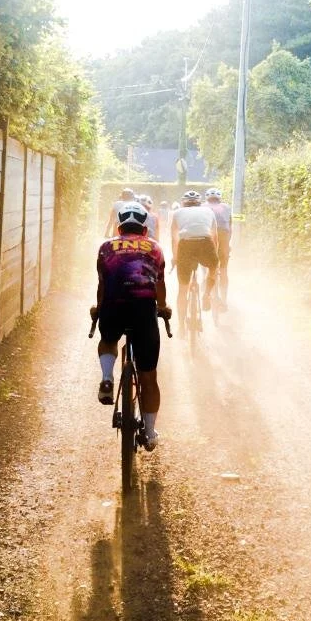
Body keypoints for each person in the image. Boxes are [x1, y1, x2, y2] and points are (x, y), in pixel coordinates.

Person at [92, 202, 170, 449]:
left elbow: (103, 284)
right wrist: (163, 307)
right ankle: (149, 432)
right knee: (149, 377)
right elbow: (159, 284)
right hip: (143, 311)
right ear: (144, 230)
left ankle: (106, 378)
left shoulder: (106, 247)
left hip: (113, 306)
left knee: (108, 340)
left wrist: (98, 307)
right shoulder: (155, 248)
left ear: (119, 227)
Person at [170, 188, 218, 325]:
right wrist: (214, 259)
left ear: (183, 203)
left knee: (182, 289)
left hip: (186, 245)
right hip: (205, 243)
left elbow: (174, 239)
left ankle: (180, 325)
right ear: (200, 203)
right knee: (214, 267)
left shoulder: (177, 212)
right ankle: (207, 294)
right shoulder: (209, 211)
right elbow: (214, 238)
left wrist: (175, 257)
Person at [204, 188, 233, 310]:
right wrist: (228, 244)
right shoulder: (226, 207)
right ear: (219, 199)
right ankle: (224, 300)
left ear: (207, 198)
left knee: (208, 266)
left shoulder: (203, 206)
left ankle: (206, 291)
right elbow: (230, 228)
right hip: (223, 237)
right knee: (224, 269)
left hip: (208, 236)